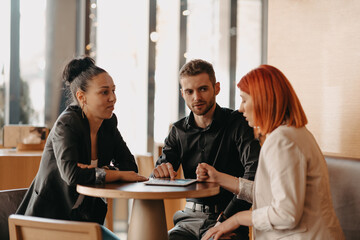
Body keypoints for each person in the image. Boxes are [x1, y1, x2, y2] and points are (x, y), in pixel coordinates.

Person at [198, 64, 345, 240]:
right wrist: (218, 177)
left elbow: (286, 214)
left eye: (244, 100)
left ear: (262, 101)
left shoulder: (282, 141)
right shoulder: (294, 134)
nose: (240, 108)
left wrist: (237, 219)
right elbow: (268, 193)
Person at [16, 56, 148, 239]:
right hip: (48, 223)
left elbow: (130, 167)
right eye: (104, 92)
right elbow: (72, 175)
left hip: (84, 222)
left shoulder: (108, 123)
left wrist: (98, 171)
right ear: (81, 96)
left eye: (113, 91)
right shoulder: (67, 124)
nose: (113, 98)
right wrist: (114, 173)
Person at [152, 59, 260, 240]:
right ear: (182, 94)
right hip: (186, 220)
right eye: (189, 91)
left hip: (230, 219)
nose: (196, 97)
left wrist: (227, 218)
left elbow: (254, 175)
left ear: (216, 88)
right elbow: (162, 167)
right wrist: (161, 171)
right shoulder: (177, 131)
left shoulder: (238, 123)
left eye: (202, 89)